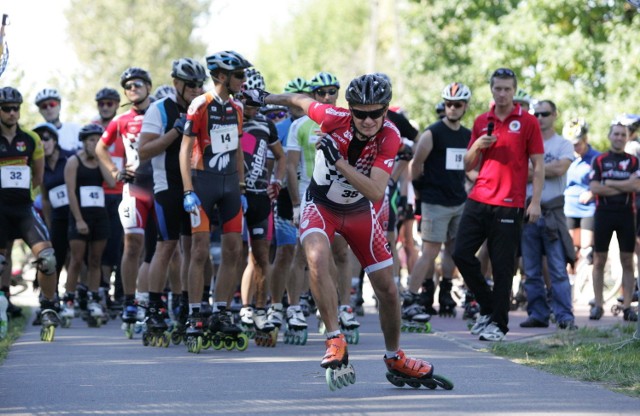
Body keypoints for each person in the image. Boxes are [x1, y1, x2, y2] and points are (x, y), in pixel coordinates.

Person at [244, 73, 441, 387]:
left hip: (362, 211)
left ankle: (395, 357)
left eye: (375, 113)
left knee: (388, 290)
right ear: (349, 110)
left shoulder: (389, 135)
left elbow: (377, 191)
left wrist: (340, 164)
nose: (367, 120)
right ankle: (335, 339)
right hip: (321, 206)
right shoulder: (332, 117)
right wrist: (264, 97)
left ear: (386, 110)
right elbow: (299, 100)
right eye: (360, 113)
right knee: (317, 258)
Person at [452, 68, 544, 342]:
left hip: (510, 203)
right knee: (460, 253)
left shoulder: (527, 122)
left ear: (514, 91)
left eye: (507, 89)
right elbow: (467, 164)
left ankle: (499, 325)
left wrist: (535, 202)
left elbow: (538, 165)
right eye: (497, 89)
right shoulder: (482, 120)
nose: (502, 93)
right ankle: (490, 307)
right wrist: (478, 145)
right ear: (491, 90)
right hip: (479, 198)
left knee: (503, 267)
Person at [179, 50, 251, 351]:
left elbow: (236, 148)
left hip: (230, 184)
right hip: (202, 182)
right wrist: (187, 190)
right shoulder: (200, 104)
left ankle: (221, 310)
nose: (243, 80)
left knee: (234, 250)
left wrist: (243, 185)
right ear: (221, 76)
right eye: (239, 75)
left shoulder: (237, 107)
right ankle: (195, 312)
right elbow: (184, 150)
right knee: (199, 251)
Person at [284, 71, 360, 339]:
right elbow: (290, 167)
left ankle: (345, 307)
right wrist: (295, 204)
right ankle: (293, 306)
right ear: (312, 96)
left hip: (339, 195)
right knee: (302, 254)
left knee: (341, 252)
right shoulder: (300, 125)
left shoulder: (348, 122)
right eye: (320, 93)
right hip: (309, 194)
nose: (326, 97)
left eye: (331, 91)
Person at [138, 57, 207, 339]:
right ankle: (154, 308)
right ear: (176, 83)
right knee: (166, 247)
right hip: (167, 185)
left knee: (194, 249)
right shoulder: (159, 109)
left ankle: (186, 306)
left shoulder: (203, 107)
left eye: (199, 84)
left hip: (197, 186)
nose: (195, 89)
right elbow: (144, 151)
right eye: (190, 84)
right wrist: (175, 131)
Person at [96, 67, 156, 330]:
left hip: (163, 186)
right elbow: (100, 147)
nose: (133, 89)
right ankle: (130, 301)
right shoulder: (121, 120)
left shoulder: (161, 111)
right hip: (134, 187)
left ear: (149, 87)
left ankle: (158, 299)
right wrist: (114, 172)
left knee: (163, 248)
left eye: (138, 85)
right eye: (128, 86)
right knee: (132, 245)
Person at [406, 82, 472, 322]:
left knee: (454, 251)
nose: (452, 108)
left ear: (465, 106)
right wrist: (421, 193)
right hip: (435, 201)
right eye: (448, 104)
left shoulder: (467, 135)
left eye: (457, 105)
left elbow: (469, 167)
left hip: (459, 200)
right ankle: (411, 296)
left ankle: (446, 290)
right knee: (430, 251)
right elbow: (416, 166)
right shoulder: (432, 133)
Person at [0, 86, 61, 340]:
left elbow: (38, 176)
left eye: (16, 108)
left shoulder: (31, 139)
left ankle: (48, 305)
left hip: (23, 207)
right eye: (6, 109)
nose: (12, 113)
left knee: (47, 258)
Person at [237, 68, 286, 343]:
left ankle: (258, 309)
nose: (253, 108)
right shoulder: (229, 119)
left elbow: (280, 157)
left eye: (258, 102)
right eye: (248, 102)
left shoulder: (267, 124)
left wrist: (277, 181)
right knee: (236, 253)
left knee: (260, 257)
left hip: (260, 197)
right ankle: (240, 308)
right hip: (235, 195)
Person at [520, 100, 577, 330]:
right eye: (536, 113)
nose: (540, 117)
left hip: (553, 211)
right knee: (531, 270)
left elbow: (560, 169)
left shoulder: (563, 144)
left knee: (557, 269)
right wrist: (541, 171)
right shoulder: (526, 142)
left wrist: (534, 171)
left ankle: (565, 316)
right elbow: (518, 173)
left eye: (545, 113)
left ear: (555, 115)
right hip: (528, 212)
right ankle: (538, 314)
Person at [267, 77, 313, 334]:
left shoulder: (313, 125)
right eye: (292, 97)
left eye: (302, 96)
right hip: (284, 195)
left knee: (302, 254)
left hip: (307, 195)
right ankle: (275, 305)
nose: (297, 102)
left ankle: (295, 303)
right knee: (284, 252)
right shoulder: (280, 125)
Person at [64, 124, 115, 326]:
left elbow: (111, 182)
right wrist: (78, 219)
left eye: (98, 140)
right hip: (80, 216)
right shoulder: (73, 162)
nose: (94, 143)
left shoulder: (102, 160)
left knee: (96, 260)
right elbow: (70, 192)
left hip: (99, 216)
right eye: (91, 140)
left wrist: (101, 158)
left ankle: (94, 298)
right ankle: (69, 298)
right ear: (84, 142)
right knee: (77, 260)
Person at [588, 122, 640, 321]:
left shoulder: (634, 161)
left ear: (627, 137)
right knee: (599, 259)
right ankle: (598, 305)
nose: (619, 137)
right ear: (609, 136)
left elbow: (636, 187)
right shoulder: (599, 160)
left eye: (622, 134)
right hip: (603, 213)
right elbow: (595, 188)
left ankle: (627, 306)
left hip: (627, 214)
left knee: (627, 260)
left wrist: (609, 183)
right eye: (615, 134)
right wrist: (623, 185)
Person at [36, 122, 75, 318]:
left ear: (54, 140)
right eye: (39, 140)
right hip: (57, 217)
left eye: (46, 138)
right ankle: (52, 298)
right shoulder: (39, 163)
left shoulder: (69, 157)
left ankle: (75, 296)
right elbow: (44, 197)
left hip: (76, 214)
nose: (43, 143)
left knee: (77, 257)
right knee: (56, 257)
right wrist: (48, 224)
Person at [563, 118, 599, 286]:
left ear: (585, 140)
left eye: (577, 144)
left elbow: (603, 180)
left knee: (587, 249)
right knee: (570, 251)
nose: (575, 148)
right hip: (568, 206)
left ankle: (589, 286)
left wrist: (592, 192)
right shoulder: (565, 155)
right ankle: (569, 287)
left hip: (588, 208)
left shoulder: (596, 158)